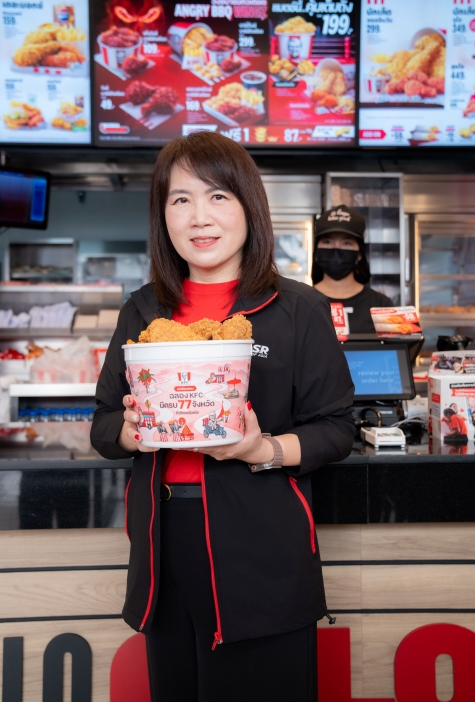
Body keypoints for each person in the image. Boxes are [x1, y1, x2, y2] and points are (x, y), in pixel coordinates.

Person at [91, 132, 355, 702]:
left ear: (248, 206)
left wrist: (262, 450)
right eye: (180, 199)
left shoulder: (297, 309)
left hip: (261, 547)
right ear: (163, 216)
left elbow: (337, 429)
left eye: (217, 196)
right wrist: (131, 432)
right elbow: (103, 422)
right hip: (163, 549)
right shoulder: (143, 309)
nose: (199, 217)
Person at [312, 204, 393, 333]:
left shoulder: (381, 305)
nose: (336, 248)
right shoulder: (301, 302)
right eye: (327, 242)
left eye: (346, 243)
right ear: (317, 249)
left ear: (360, 253)